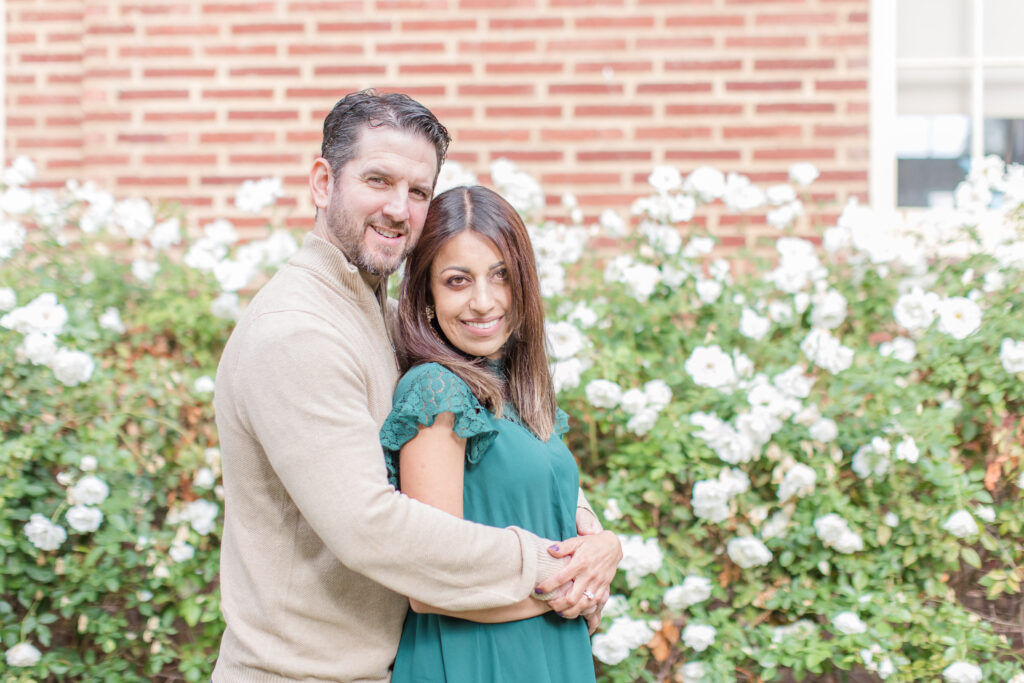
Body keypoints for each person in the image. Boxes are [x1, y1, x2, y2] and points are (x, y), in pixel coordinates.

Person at [212, 89, 620, 682]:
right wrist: (553, 571)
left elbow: (504, 447)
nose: (399, 209)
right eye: (378, 180)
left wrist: (596, 541)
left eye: (419, 191)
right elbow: (371, 528)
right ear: (323, 183)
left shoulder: (375, 314)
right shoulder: (297, 332)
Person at [381, 185, 615, 682]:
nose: (483, 302)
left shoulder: (514, 388)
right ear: (426, 294)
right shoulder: (434, 390)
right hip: (476, 660)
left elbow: (561, 520)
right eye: (457, 281)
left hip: (547, 655)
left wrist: (606, 549)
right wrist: (570, 591)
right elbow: (431, 582)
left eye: (501, 276)